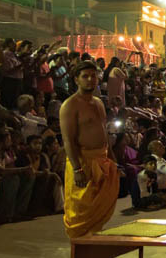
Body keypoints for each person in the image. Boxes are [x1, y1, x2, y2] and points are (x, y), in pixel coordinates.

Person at [60, 61, 119, 238]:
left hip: (102, 160)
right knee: (81, 211)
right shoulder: (70, 105)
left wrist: (112, 158)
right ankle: (80, 249)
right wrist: (77, 168)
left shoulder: (99, 103)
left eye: (93, 76)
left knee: (99, 209)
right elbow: (68, 141)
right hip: (82, 162)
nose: (90, 80)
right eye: (85, 76)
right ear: (76, 79)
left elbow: (104, 131)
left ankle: (94, 248)